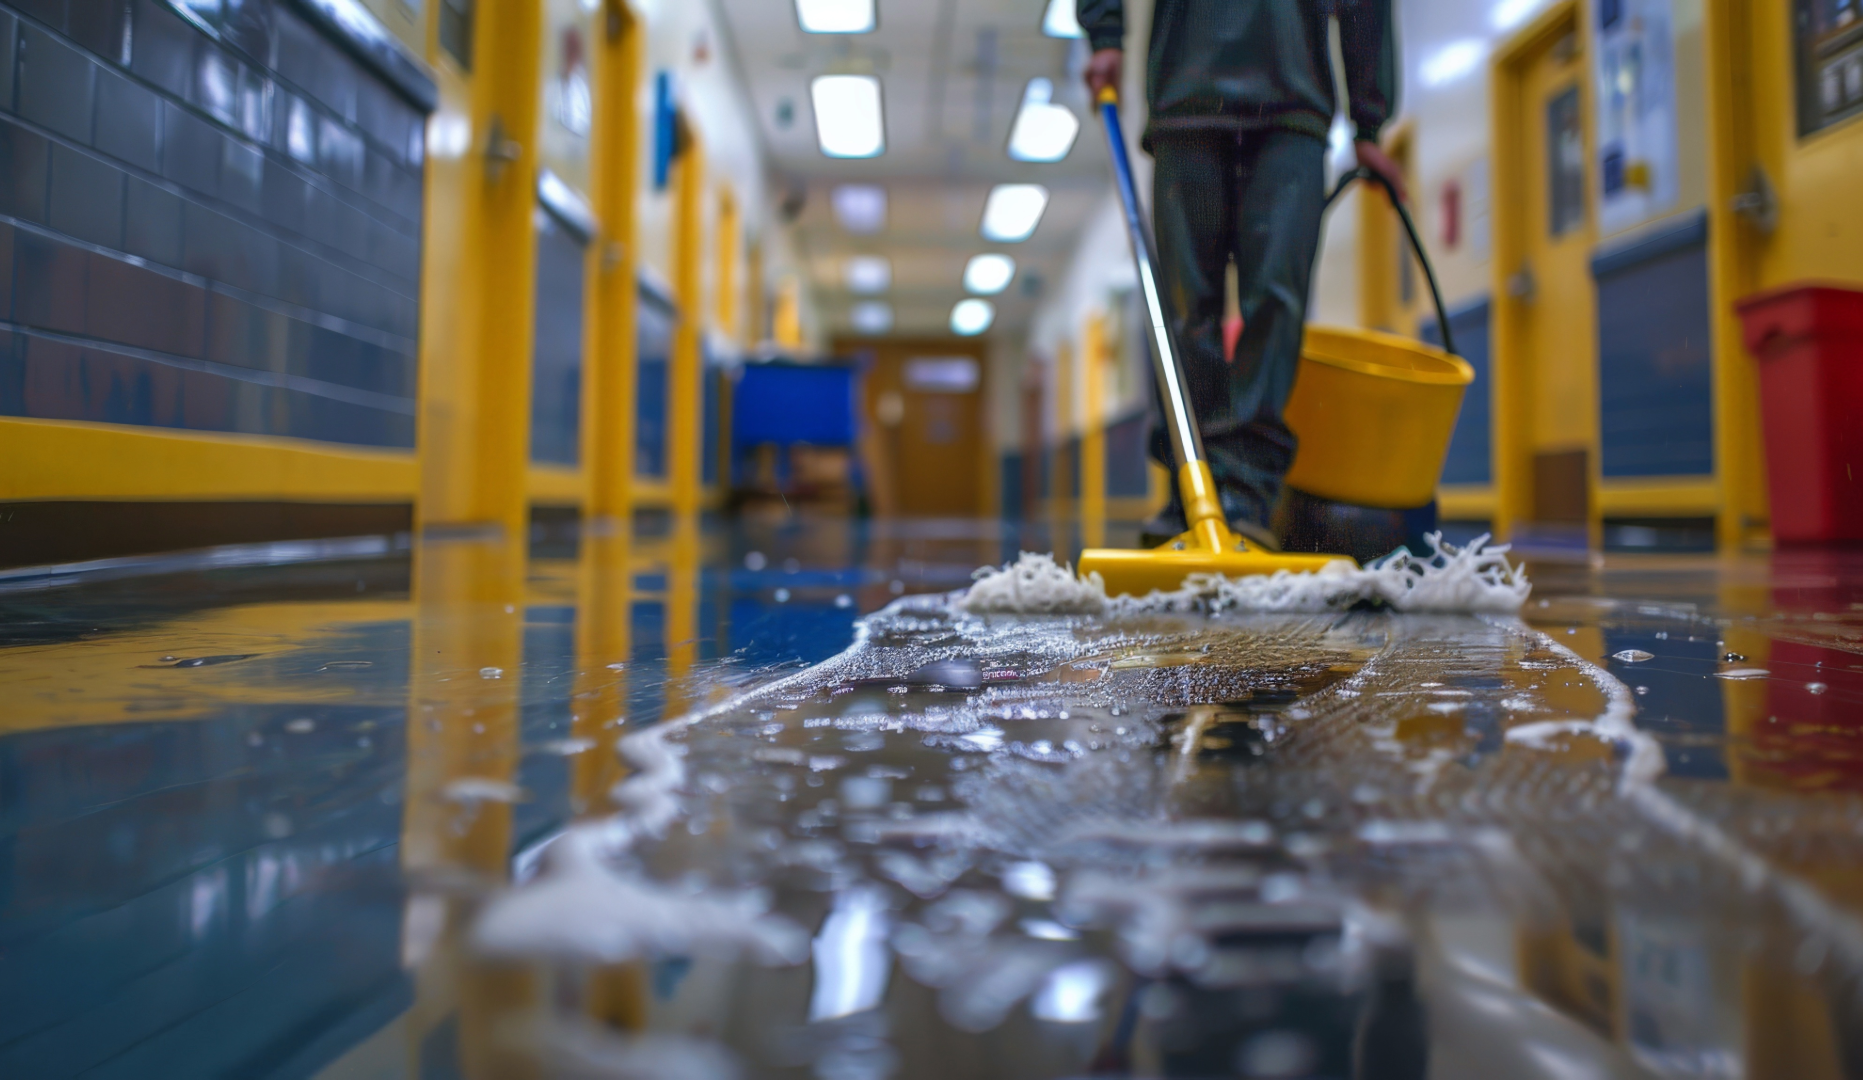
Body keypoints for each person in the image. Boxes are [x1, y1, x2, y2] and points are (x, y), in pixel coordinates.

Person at [1078, 0, 1404, 550]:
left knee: (1276, 300)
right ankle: (1191, 483)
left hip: (1292, 100)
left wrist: (1369, 118)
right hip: (1187, 97)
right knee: (1185, 311)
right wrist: (1105, 31)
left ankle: (1247, 491)